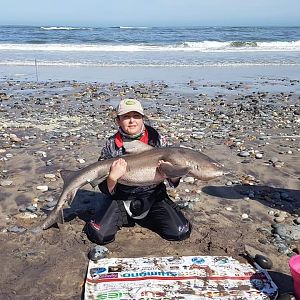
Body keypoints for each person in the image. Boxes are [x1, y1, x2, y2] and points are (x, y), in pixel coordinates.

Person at [85, 98, 191, 244]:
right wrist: (112, 178)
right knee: (99, 235)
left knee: (181, 232)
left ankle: (147, 216)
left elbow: (173, 180)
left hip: (152, 196)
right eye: (126, 117)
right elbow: (103, 185)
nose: (132, 121)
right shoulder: (111, 145)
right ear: (118, 120)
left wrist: (170, 174)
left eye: (136, 116)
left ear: (142, 118)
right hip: (120, 198)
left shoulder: (158, 141)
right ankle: (124, 216)